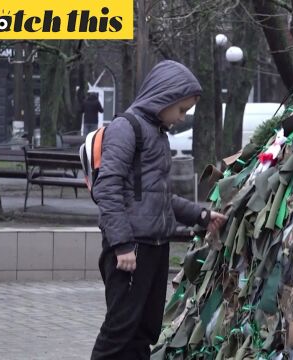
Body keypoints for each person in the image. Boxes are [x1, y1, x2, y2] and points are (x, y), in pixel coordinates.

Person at [91, 60, 226, 359]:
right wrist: (122, 245)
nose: (182, 118)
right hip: (131, 250)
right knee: (119, 331)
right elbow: (107, 188)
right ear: (163, 97)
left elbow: (158, 198)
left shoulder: (157, 134)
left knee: (145, 331)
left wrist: (201, 215)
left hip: (155, 245)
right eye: (181, 110)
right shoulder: (127, 128)